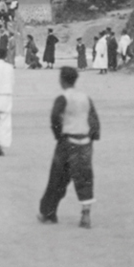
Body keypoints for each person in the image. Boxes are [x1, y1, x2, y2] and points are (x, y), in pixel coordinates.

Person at [37, 66, 101, 228]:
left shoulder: (63, 98)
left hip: (68, 143)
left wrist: (59, 136)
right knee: (85, 178)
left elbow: (54, 118)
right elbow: (94, 120)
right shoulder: (85, 97)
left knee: (57, 178)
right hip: (85, 142)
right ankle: (85, 214)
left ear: (61, 80)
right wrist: (92, 137)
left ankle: (49, 212)